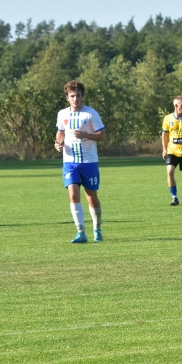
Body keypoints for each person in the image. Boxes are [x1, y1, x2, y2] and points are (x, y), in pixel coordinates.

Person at [54, 80, 106, 243]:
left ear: (82, 96)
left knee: (91, 196)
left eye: (78, 95)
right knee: (73, 193)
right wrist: (58, 143)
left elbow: (102, 136)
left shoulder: (90, 114)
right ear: (67, 98)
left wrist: (85, 135)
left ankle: (97, 229)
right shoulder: (62, 114)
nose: (75, 99)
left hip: (89, 162)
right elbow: (60, 133)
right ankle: (80, 232)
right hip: (70, 161)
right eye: (72, 96)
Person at [161, 96, 182, 206]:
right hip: (172, 151)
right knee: (169, 171)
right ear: (176, 106)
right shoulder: (167, 118)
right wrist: (164, 148)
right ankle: (174, 197)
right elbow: (164, 134)